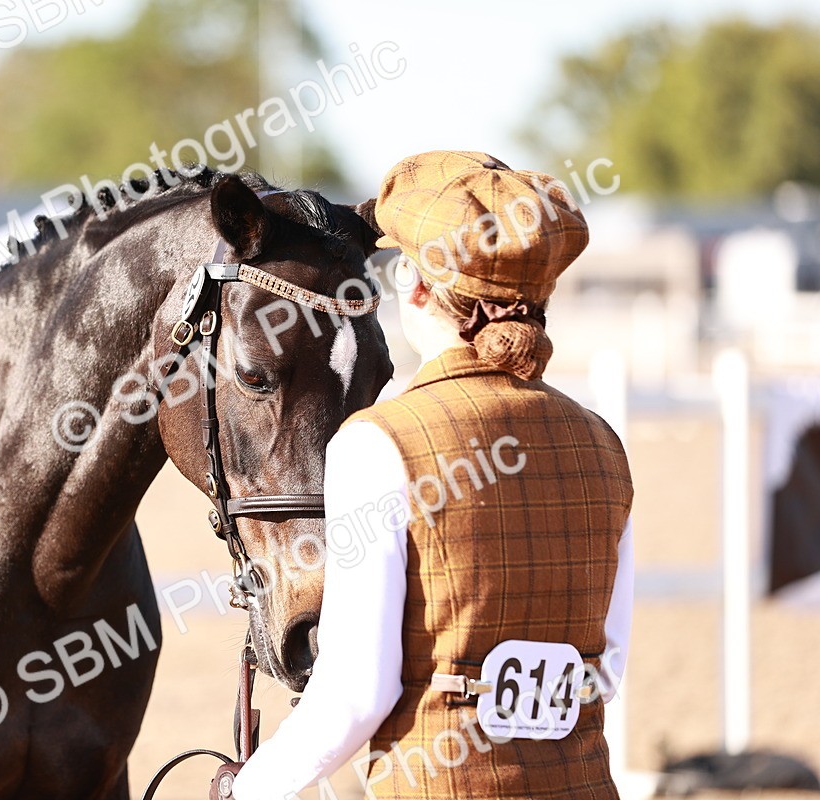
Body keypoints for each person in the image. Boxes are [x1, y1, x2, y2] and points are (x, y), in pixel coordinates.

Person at [222, 151, 635, 799]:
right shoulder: (602, 443)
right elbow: (604, 666)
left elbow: (357, 695)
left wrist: (246, 789)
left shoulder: (379, 444)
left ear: (416, 288)